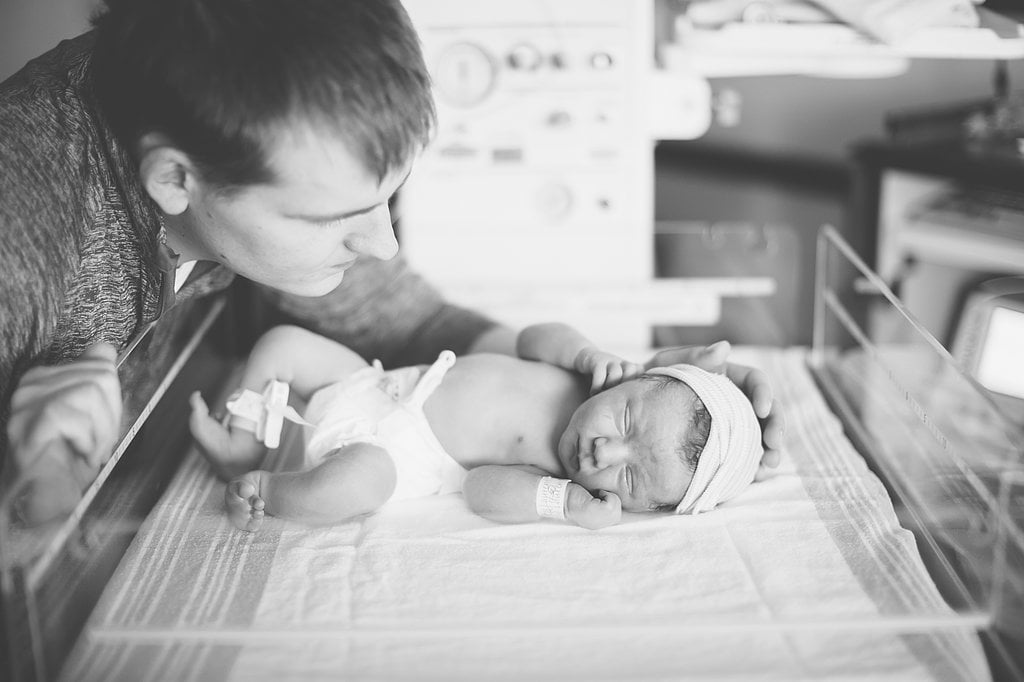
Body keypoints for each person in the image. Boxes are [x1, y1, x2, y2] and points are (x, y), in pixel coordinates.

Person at [0, 0, 784, 527]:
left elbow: (416, 322)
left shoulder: (241, 128)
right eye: (334, 218)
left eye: (389, 199)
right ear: (175, 180)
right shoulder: (25, 243)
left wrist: (649, 392)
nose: (383, 246)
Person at [190, 324, 764, 531]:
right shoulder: (588, 372)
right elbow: (531, 337)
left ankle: (268, 488)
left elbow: (480, 489)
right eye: (628, 420)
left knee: (353, 488)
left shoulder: (566, 477)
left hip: (395, 451)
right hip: (379, 384)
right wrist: (584, 351)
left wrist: (559, 503)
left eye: (631, 481)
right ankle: (242, 443)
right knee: (282, 343)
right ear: (637, 377)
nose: (608, 451)